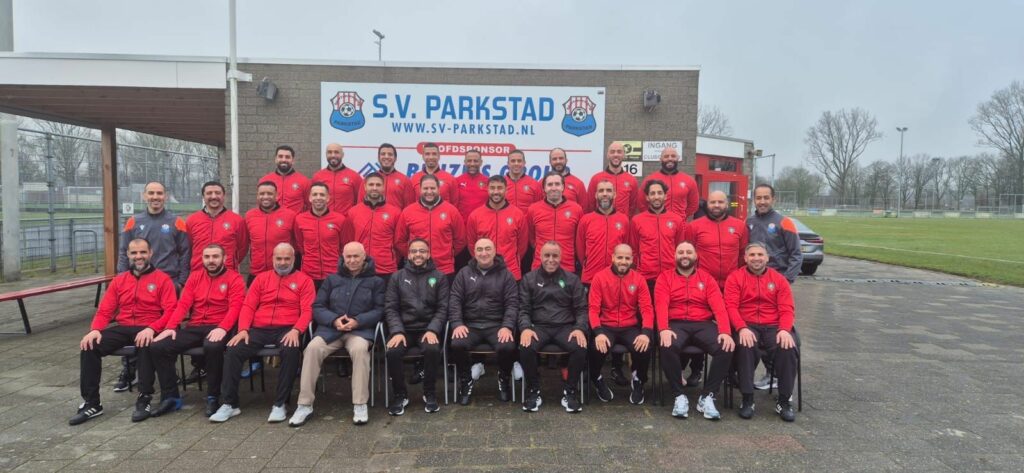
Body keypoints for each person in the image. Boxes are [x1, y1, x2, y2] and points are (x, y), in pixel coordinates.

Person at [70, 239, 176, 426]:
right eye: (134, 253)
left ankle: (144, 398)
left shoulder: (162, 279)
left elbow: (171, 311)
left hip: (148, 326)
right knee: (89, 346)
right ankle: (92, 403)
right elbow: (105, 310)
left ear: (150, 253)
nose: (138, 257)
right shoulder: (119, 281)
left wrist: (152, 328)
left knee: (145, 342)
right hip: (123, 326)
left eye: (143, 252)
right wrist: (95, 330)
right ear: (127, 255)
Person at [133, 244, 245, 421]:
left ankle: (213, 397)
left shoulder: (235, 279)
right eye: (207, 257)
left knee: (213, 346)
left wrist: (223, 328)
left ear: (224, 259)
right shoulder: (195, 278)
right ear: (202, 259)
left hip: (219, 326)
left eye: (215, 257)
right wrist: (170, 327)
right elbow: (183, 305)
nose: (211, 261)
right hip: (195, 326)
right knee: (158, 346)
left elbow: (236, 307)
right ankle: (171, 397)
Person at [210, 243, 314, 424]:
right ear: (272, 258)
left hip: (287, 328)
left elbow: (307, 311)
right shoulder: (261, 279)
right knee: (233, 349)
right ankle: (230, 404)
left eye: (287, 259)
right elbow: (248, 306)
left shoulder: (305, 280)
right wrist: (242, 329)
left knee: (291, 350)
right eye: (278, 258)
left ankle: (280, 404)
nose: (282, 263)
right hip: (259, 329)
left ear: (294, 259)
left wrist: (297, 330)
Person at [289, 242, 383, 427]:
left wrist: (359, 321)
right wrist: (334, 320)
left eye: (356, 256)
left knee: (359, 351)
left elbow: (380, 310)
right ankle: (304, 404)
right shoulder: (331, 280)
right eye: (348, 256)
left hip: (359, 331)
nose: (352, 260)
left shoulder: (376, 282)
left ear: (364, 256)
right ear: (343, 257)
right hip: (331, 330)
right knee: (312, 348)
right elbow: (317, 306)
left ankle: (360, 404)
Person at [114, 181, 190, 392]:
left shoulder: (177, 222)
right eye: (151, 193)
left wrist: (181, 282)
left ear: (165, 196)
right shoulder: (133, 222)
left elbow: (185, 254)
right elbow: (123, 251)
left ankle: (168, 370)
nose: (155, 197)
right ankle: (130, 370)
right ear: (144, 196)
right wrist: (122, 279)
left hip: (168, 283)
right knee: (133, 323)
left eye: (159, 193)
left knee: (168, 328)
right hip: (138, 283)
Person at [655, 242, 735, 420]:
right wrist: (663, 329)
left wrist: (725, 331)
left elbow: (719, 307)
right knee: (667, 344)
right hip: (675, 323)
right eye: (681, 252)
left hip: (703, 323)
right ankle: (678, 395)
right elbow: (661, 305)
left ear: (695, 256)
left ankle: (707, 396)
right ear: (674, 256)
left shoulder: (707, 278)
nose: (685, 255)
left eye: (689, 252)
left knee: (726, 346)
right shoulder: (665, 277)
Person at [726, 242, 799, 422]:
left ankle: (784, 400)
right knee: (745, 346)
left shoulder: (779, 279)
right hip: (747, 324)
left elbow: (787, 308)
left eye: (760, 255)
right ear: (745, 258)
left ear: (767, 257)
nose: (756, 258)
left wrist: (784, 330)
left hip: (774, 325)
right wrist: (741, 328)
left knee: (788, 347)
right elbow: (731, 307)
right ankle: (747, 398)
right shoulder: (735, 278)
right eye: (752, 255)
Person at [518, 242, 589, 413]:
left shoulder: (572, 279)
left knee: (581, 347)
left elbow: (581, 309)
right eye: (547, 255)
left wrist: (579, 328)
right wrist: (526, 328)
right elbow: (523, 309)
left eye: (555, 256)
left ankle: (570, 391)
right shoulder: (529, 279)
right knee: (525, 347)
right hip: (538, 327)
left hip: (565, 327)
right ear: (540, 257)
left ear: (561, 257)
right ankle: (534, 390)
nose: (551, 260)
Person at [448, 238, 519, 405]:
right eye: (479, 249)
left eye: (488, 249)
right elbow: (455, 300)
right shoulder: (464, 273)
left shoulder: (506, 275)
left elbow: (512, 303)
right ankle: (466, 381)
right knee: (457, 344)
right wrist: (457, 323)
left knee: (507, 346)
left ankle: (503, 378)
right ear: (474, 252)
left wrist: (507, 326)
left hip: (496, 325)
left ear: (495, 252)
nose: (484, 253)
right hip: (470, 325)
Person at [383, 239, 449, 415]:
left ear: (428, 254)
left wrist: (433, 329)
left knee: (432, 349)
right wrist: (396, 331)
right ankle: (400, 395)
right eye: (414, 251)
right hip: (403, 330)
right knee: (393, 351)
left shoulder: (440, 277)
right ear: (408, 254)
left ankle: (430, 393)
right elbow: (391, 307)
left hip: (427, 328)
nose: (418, 254)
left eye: (422, 251)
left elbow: (443, 308)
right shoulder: (397, 277)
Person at [587, 244, 654, 405]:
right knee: (596, 348)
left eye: (627, 258)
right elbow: (593, 309)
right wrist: (598, 332)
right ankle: (596, 378)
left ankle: (638, 380)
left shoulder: (639, 279)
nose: (623, 261)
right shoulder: (600, 277)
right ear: (613, 258)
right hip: (606, 326)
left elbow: (647, 308)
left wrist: (645, 333)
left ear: (632, 260)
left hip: (629, 326)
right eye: (620, 257)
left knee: (644, 346)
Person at [395, 174, 467, 277]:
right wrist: (415, 256)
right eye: (425, 188)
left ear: (438, 189)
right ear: (420, 189)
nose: (429, 192)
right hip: (415, 269)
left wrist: (447, 255)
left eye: (432, 188)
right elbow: (399, 241)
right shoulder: (408, 212)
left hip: (444, 269)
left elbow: (461, 240)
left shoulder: (451, 211)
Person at [466, 175, 529, 280]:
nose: (496, 192)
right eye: (492, 188)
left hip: (511, 272)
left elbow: (522, 245)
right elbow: (472, 244)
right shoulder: (475, 215)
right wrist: (484, 261)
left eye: (499, 188)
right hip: (484, 273)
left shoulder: (517, 214)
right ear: (487, 189)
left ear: (506, 189)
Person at [630, 180, 687, 291]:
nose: (656, 197)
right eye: (653, 193)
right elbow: (634, 249)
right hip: (646, 277)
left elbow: (679, 249)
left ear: (665, 196)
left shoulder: (676, 220)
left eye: (659, 193)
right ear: (647, 197)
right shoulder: (637, 220)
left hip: (670, 276)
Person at [294, 182, 350, 290]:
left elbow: (344, 246)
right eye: (315, 195)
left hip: (333, 274)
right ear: (309, 198)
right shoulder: (299, 219)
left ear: (328, 198)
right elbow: (300, 246)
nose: (318, 198)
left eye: (322, 195)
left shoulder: (340, 219)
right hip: (309, 274)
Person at [689, 190, 748, 290]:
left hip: (732, 284)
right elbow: (689, 254)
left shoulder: (740, 226)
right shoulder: (694, 226)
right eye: (712, 202)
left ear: (727, 204)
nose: (716, 205)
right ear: (707, 204)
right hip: (703, 284)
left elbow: (743, 254)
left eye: (720, 202)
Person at [525, 172, 583, 273]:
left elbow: (579, 239)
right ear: (544, 188)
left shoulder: (576, 209)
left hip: (567, 267)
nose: (554, 188)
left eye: (557, 184)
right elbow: (531, 238)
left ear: (563, 187)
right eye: (550, 184)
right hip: (540, 266)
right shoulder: (533, 209)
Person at [348, 173, 403, 279]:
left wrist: (390, 259)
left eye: (378, 185)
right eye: (371, 184)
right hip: (360, 269)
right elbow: (349, 241)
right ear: (365, 186)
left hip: (386, 270)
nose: (374, 188)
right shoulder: (353, 212)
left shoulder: (395, 212)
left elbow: (398, 243)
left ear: (383, 187)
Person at [576, 180, 631, 285]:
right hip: (590, 277)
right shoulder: (585, 220)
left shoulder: (623, 220)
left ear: (614, 195)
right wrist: (587, 262)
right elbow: (580, 249)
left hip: (616, 278)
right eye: (601, 191)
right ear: (596, 195)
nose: (605, 194)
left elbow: (626, 245)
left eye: (608, 191)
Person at [185, 181, 248, 273]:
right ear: (203, 196)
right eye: (209, 193)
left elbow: (242, 247)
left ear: (224, 196)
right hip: (199, 273)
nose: (214, 196)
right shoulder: (192, 220)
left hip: (227, 273)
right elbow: (188, 247)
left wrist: (230, 262)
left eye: (218, 193)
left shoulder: (237, 220)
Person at [747, 184, 802, 283]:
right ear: (754, 200)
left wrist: (787, 279)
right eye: (758, 198)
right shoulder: (748, 222)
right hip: (752, 280)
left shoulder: (785, 222)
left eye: (766, 198)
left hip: (777, 280)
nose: (762, 202)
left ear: (773, 199)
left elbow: (796, 254)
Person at [244, 181, 297, 283]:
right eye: (262, 194)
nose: (265, 197)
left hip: (282, 272)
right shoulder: (249, 216)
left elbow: (298, 245)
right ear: (257, 196)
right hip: (257, 273)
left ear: (277, 196)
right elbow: (244, 243)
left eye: (269, 193)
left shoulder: (290, 215)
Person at [637, 146, 699, 219]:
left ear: (678, 158)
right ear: (661, 159)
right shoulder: (650, 179)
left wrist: (681, 217)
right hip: (656, 224)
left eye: (673, 156)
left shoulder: (689, 180)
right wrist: (652, 218)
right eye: (666, 156)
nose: (670, 158)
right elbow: (641, 203)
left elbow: (693, 205)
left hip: (681, 225)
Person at [358, 143, 416, 209]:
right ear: (378, 157)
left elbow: (409, 208)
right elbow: (360, 206)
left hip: (396, 219)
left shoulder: (405, 180)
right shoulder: (368, 179)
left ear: (395, 158)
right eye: (383, 154)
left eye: (390, 154)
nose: (386, 156)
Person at [587, 142, 638, 215]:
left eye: (619, 152)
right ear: (607, 155)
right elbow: (590, 205)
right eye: (612, 152)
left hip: (622, 224)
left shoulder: (631, 180)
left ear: (623, 155)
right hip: (600, 223)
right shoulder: (596, 179)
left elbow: (633, 206)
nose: (616, 154)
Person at [312, 143, 362, 214]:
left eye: (336, 152)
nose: (333, 155)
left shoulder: (354, 176)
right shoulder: (317, 176)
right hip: (325, 221)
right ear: (326, 154)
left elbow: (360, 202)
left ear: (342, 155)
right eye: (330, 152)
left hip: (346, 221)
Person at [259, 145, 310, 213]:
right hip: (272, 221)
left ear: (293, 160)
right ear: (275, 159)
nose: (284, 159)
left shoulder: (304, 181)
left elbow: (310, 206)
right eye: (280, 156)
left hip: (294, 223)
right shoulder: (265, 180)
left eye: (287, 157)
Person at [548, 148, 589, 212]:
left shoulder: (578, 183)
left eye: (561, 158)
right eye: (554, 159)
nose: (558, 161)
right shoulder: (542, 183)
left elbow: (584, 211)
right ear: (550, 162)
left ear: (566, 160)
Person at [454, 149, 489, 220]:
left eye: (475, 161)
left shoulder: (488, 182)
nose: (472, 164)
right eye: (469, 161)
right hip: (463, 225)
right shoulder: (456, 181)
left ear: (481, 162)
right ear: (465, 162)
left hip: (482, 224)